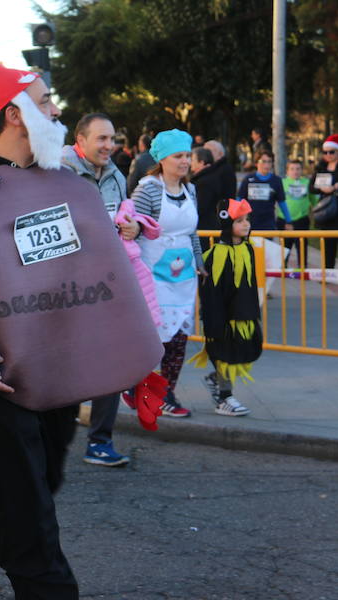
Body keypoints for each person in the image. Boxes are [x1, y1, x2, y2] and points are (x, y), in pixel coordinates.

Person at [0, 31, 161, 598]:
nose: (57, 110)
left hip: (59, 368)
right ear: (15, 114)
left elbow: (85, 272)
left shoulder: (61, 181)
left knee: (41, 481)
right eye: (47, 102)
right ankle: (51, 589)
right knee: (28, 498)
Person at [61, 112, 140, 467]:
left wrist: (131, 228)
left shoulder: (116, 176)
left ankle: (100, 441)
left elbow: (124, 216)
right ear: (81, 140)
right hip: (62, 286)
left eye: (112, 139)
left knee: (114, 360)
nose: (109, 145)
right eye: (101, 139)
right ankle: (46, 442)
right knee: (60, 364)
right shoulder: (57, 173)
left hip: (106, 280)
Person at [132, 129, 207, 418]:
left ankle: (166, 394)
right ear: (162, 159)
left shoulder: (191, 190)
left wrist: (199, 262)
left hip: (184, 279)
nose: (185, 161)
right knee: (156, 340)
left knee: (178, 340)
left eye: (188, 155)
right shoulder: (148, 189)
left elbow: (192, 232)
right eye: (178, 156)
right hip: (153, 279)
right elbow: (133, 233)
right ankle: (136, 385)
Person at [193, 199, 261, 417]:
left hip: (244, 314)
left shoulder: (247, 249)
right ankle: (224, 398)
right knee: (225, 355)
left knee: (245, 351)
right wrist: (215, 320)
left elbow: (249, 284)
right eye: (239, 221)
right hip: (222, 317)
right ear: (226, 223)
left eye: (247, 220)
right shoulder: (216, 255)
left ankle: (216, 382)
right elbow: (211, 291)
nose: (246, 224)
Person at [237, 150, 291, 232]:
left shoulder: (276, 180)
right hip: (249, 223)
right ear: (256, 163)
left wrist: (288, 220)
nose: (267, 165)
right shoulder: (248, 179)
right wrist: (234, 218)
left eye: (269, 162)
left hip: (268, 224)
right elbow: (239, 199)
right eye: (263, 161)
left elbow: (282, 202)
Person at [309, 134, 338, 269]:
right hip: (326, 212)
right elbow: (311, 187)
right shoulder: (320, 167)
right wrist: (323, 188)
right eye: (325, 152)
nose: (328, 155)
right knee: (328, 247)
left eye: (331, 152)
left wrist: (335, 187)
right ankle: (327, 273)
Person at [280, 159, 316, 266]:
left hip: (302, 220)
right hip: (284, 220)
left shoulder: (307, 183)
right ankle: (283, 269)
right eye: (292, 169)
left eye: (298, 169)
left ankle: (302, 270)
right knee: (284, 247)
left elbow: (314, 200)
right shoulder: (282, 183)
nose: (295, 171)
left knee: (302, 246)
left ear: (301, 170)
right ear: (287, 171)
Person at [190, 146, 221, 249]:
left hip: (205, 230)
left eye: (193, 159)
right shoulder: (212, 176)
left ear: (201, 162)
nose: (190, 163)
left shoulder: (204, 182)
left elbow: (200, 208)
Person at [203, 140, 238, 205]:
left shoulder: (223, 170)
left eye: (208, 152)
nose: (205, 156)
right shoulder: (217, 167)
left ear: (220, 153)